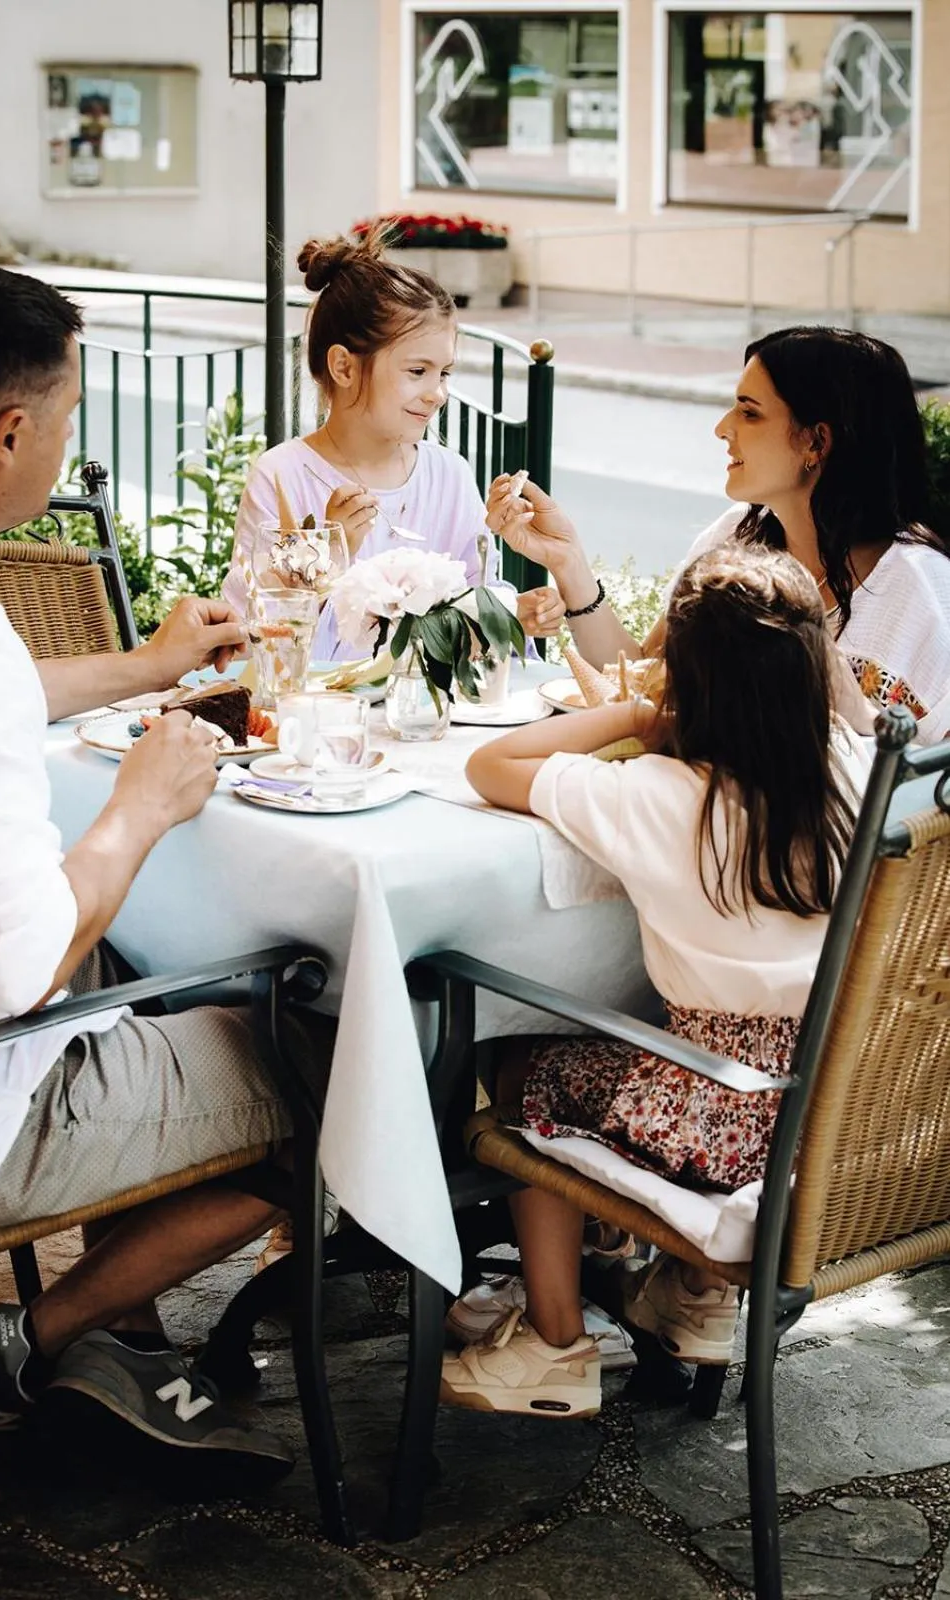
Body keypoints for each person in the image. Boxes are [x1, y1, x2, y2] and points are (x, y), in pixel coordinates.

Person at [0, 262, 316, 1475]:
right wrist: (139, 808)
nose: (65, 443)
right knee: (349, 1064)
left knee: (161, 969)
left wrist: (142, 667)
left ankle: (118, 1345)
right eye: (67, 417)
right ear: (9, 432)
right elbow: (22, 965)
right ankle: (33, 1335)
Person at [440, 544, 871, 1416]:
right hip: (831, 1104)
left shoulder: (660, 793)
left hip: (720, 1121)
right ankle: (694, 1296)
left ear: (688, 682)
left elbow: (490, 768)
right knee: (635, 1040)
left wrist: (636, 713)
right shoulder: (846, 765)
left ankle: (554, 1339)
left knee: (529, 1070)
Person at [488, 326, 950, 744]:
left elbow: (926, 785)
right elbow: (637, 674)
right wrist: (567, 560)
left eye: (749, 413)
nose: (722, 428)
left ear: (816, 441)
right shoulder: (735, 537)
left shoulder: (920, 587)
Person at [221, 228, 563, 659]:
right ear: (344, 367)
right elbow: (252, 628)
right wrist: (325, 554)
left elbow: (477, 596)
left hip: (435, 718)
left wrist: (515, 613)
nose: (437, 393)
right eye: (417, 371)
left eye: (444, 373)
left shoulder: (449, 475)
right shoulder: (282, 476)